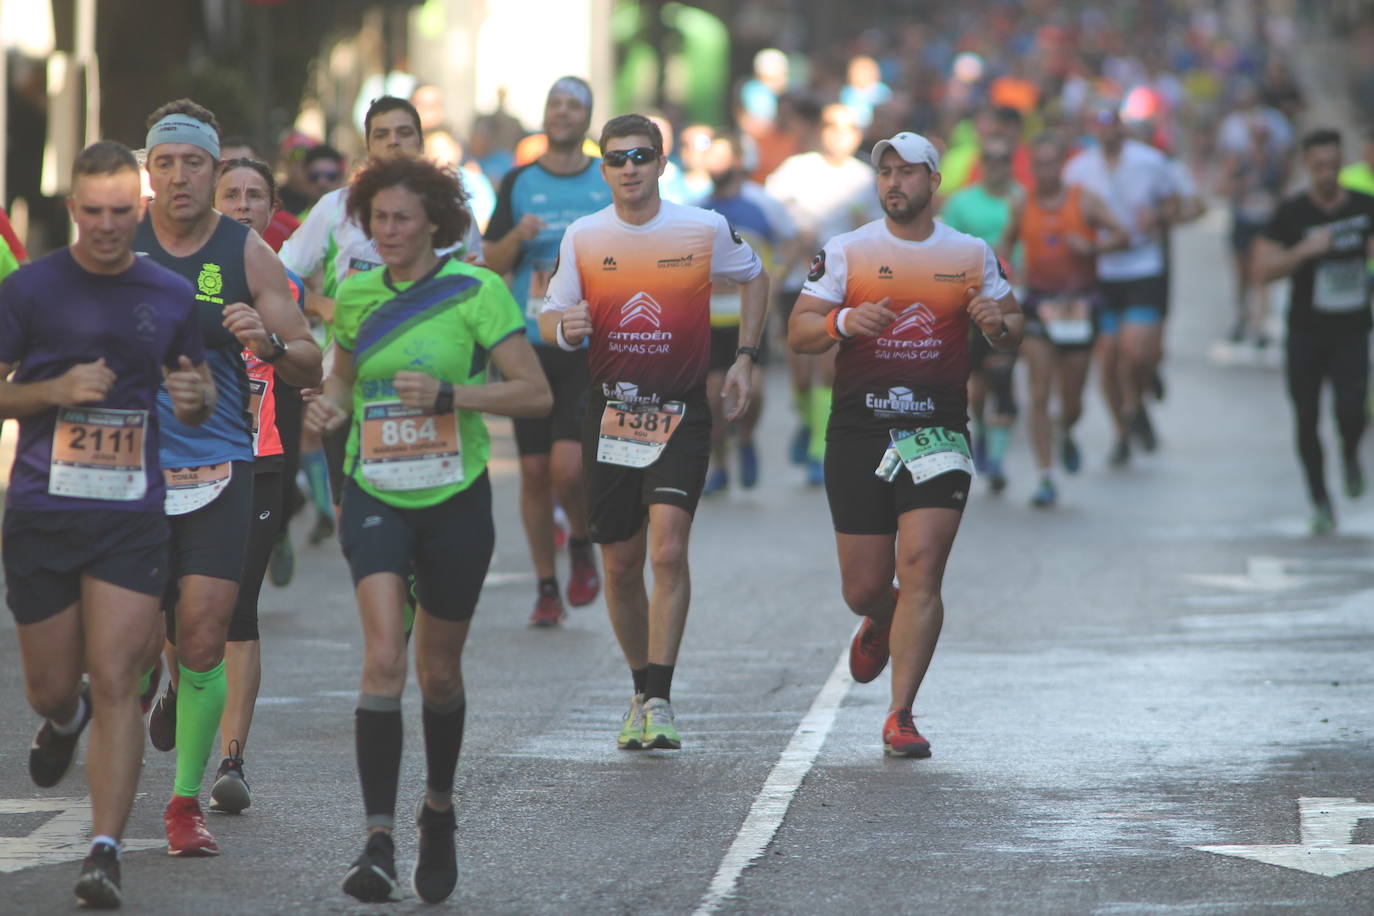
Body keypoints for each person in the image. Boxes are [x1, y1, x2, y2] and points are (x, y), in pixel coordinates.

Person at [304, 155, 551, 904]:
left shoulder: (474, 292)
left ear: (435, 224)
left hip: (454, 496)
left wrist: (454, 393)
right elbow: (343, 375)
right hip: (375, 489)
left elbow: (535, 394)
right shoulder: (356, 292)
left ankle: (436, 811)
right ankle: (376, 839)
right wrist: (332, 405)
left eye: (402, 218)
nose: (388, 232)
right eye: (377, 219)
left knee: (437, 673)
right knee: (384, 656)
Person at [0, 140, 215, 909]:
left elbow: (194, 388)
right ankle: (65, 718)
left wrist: (192, 401)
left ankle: (104, 851)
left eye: (122, 213)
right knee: (53, 685)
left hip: (129, 514)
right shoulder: (29, 291)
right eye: (92, 213)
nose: (106, 227)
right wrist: (55, 388)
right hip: (43, 513)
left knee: (120, 677)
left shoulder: (169, 292)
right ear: (72, 210)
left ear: (141, 207)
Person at [539, 114, 768, 751]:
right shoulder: (585, 236)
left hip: (681, 413)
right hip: (610, 413)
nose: (629, 168)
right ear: (603, 169)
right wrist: (567, 327)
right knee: (621, 563)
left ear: (662, 162)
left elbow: (756, 278)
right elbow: (551, 313)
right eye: (616, 159)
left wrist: (746, 357)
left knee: (667, 551)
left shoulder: (702, 228)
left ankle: (661, 698)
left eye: (640, 156)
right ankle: (639, 687)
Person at [787, 131, 1019, 757]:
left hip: (937, 431)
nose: (894, 181)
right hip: (860, 428)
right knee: (864, 587)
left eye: (908, 171)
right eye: (885, 170)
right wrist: (841, 321)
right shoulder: (848, 250)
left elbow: (1014, 324)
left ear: (933, 182)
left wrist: (997, 325)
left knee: (921, 568)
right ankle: (880, 618)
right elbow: (799, 331)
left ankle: (901, 714)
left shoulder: (970, 254)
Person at [136, 98, 321, 857]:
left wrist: (272, 344)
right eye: (165, 162)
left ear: (215, 171)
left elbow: (310, 357)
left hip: (224, 464)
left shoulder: (245, 253)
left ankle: (185, 804)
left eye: (195, 163)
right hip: (129, 468)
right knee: (135, 637)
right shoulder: (118, 243)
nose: (181, 176)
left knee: (208, 632)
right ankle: (128, 688)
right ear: (148, 172)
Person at [202, 156, 310, 814]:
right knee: (182, 611)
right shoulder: (177, 272)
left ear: (272, 210)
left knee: (239, 608)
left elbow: (308, 364)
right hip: (185, 462)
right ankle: (167, 679)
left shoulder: (281, 283)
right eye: (231, 195)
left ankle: (232, 758)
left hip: (261, 458)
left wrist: (271, 345)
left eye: (255, 196)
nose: (243, 205)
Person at [483, 76, 608, 627]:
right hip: (527, 345)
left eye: (573, 105)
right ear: (545, 114)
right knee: (534, 473)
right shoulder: (518, 181)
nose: (562, 113)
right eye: (555, 104)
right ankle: (546, 585)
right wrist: (519, 237)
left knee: (568, 468)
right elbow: (490, 262)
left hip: (583, 343)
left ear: (587, 118)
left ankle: (579, 540)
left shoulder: (605, 179)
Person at [1255, 128, 1374, 534]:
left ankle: (1351, 451)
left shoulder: (1364, 206)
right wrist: (1304, 251)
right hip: (1306, 332)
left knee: (1352, 407)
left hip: (1353, 328)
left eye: (1334, 166)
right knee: (1306, 418)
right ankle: (1320, 500)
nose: (1327, 174)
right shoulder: (1291, 214)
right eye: (1319, 167)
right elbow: (1263, 270)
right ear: (1307, 166)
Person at [1002, 132, 1128, 507]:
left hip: (1078, 305)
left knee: (1072, 400)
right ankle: (1046, 476)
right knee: (1039, 392)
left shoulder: (1083, 200)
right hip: (1039, 303)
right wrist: (1008, 272)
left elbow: (1122, 234)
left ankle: (1067, 428)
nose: (1044, 171)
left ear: (1062, 165)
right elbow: (1007, 244)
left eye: (1050, 163)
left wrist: (1093, 246)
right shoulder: (1021, 204)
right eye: (1037, 164)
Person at [766, 103, 881, 483]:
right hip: (796, 280)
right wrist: (795, 233)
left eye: (849, 127)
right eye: (832, 126)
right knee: (800, 372)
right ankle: (807, 418)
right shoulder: (795, 170)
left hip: (842, 284)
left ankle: (820, 448)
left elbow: (882, 233)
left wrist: (863, 229)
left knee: (828, 366)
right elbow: (770, 216)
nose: (839, 134)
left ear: (858, 134)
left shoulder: (867, 178)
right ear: (820, 130)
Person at [1064, 105, 1180, 466]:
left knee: (1135, 353)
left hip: (1143, 267)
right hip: (1101, 273)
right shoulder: (1078, 169)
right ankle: (1123, 428)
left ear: (1121, 126)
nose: (1105, 131)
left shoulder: (1150, 162)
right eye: (1098, 124)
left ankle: (1137, 399)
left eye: (1111, 123)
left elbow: (1179, 203)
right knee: (1108, 358)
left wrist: (1159, 216)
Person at [697, 130, 799, 493]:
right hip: (708, 318)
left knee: (752, 391)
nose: (714, 164)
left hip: (747, 316)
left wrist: (778, 272)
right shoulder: (695, 205)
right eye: (709, 157)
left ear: (739, 162)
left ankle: (747, 439)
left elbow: (793, 239)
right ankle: (720, 466)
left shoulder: (762, 204)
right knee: (713, 397)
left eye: (721, 156)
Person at [940, 136, 1022, 492]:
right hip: (968, 303)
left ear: (1011, 163)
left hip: (1010, 299)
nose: (996, 165)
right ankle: (984, 434)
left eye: (1003, 158)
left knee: (1002, 377)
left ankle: (998, 463)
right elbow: (945, 246)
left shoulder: (1023, 201)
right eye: (989, 158)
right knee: (975, 389)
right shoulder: (961, 202)